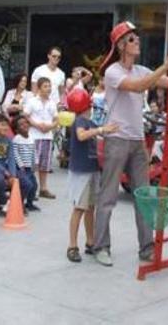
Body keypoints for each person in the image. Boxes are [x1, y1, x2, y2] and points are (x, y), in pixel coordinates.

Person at [92, 21, 168, 266]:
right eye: (132, 39)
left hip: (137, 140)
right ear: (121, 45)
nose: (137, 41)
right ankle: (101, 245)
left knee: (143, 197)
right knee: (108, 197)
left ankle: (146, 247)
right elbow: (139, 87)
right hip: (117, 140)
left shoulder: (141, 69)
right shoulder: (113, 72)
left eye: (137, 38)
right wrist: (166, 65)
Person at [66, 88, 117, 263]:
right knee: (80, 209)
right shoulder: (80, 121)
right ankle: (72, 246)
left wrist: (106, 130)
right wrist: (102, 129)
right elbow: (81, 136)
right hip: (81, 172)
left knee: (90, 209)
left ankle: (90, 241)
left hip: (92, 169)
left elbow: (99, 136)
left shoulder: (90, 121)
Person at [24, 76, 59, 199]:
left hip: (47, 136)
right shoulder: (32, 101)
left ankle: (43, 188)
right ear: (39, 88)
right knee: (33, 163)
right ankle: (31, 188)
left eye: (49, 86)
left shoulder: (52, 103)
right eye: (45, 86)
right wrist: (37, 125)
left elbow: (56, 119)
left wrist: (50, 127)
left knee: (45, 164)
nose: (48, 89)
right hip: (34, 135)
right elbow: (26, 116)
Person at [11, 115, 40, 212]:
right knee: (27, 185)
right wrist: (20, 165)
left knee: (34, 185)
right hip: (21, 168)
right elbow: (15, 153)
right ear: (16, 129)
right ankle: (20, 203)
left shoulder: (31, 138)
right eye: (21, 124)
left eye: (26, 123)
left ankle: (30, 203)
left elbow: (34, 151)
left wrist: (35, 162)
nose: (24, 125)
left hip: (30, 167)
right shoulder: (17, 139)